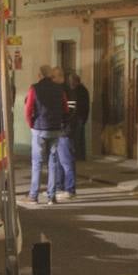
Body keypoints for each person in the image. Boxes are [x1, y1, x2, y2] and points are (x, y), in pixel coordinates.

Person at [24, 66, 73, 204]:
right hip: (55, 129)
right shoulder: (59, 89)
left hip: (39, 128)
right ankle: (51, 196)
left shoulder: (34, 88)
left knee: (37, 163)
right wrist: (62, 122)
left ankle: (33, 195)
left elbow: (28, 109)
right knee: (53, 162)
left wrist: (31, 125)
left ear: (40, 75)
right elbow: (65, 108)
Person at [66, 71, 91, 161]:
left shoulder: (78, 90)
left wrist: (71, 116)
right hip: (81, 117)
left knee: (76, 138)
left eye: (71, 80)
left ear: (75, 81)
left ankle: (76, 156)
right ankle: (81, 156)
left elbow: (76, 105)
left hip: (77, 117)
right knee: (80, 138)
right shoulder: (83, 89)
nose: (69, 82)